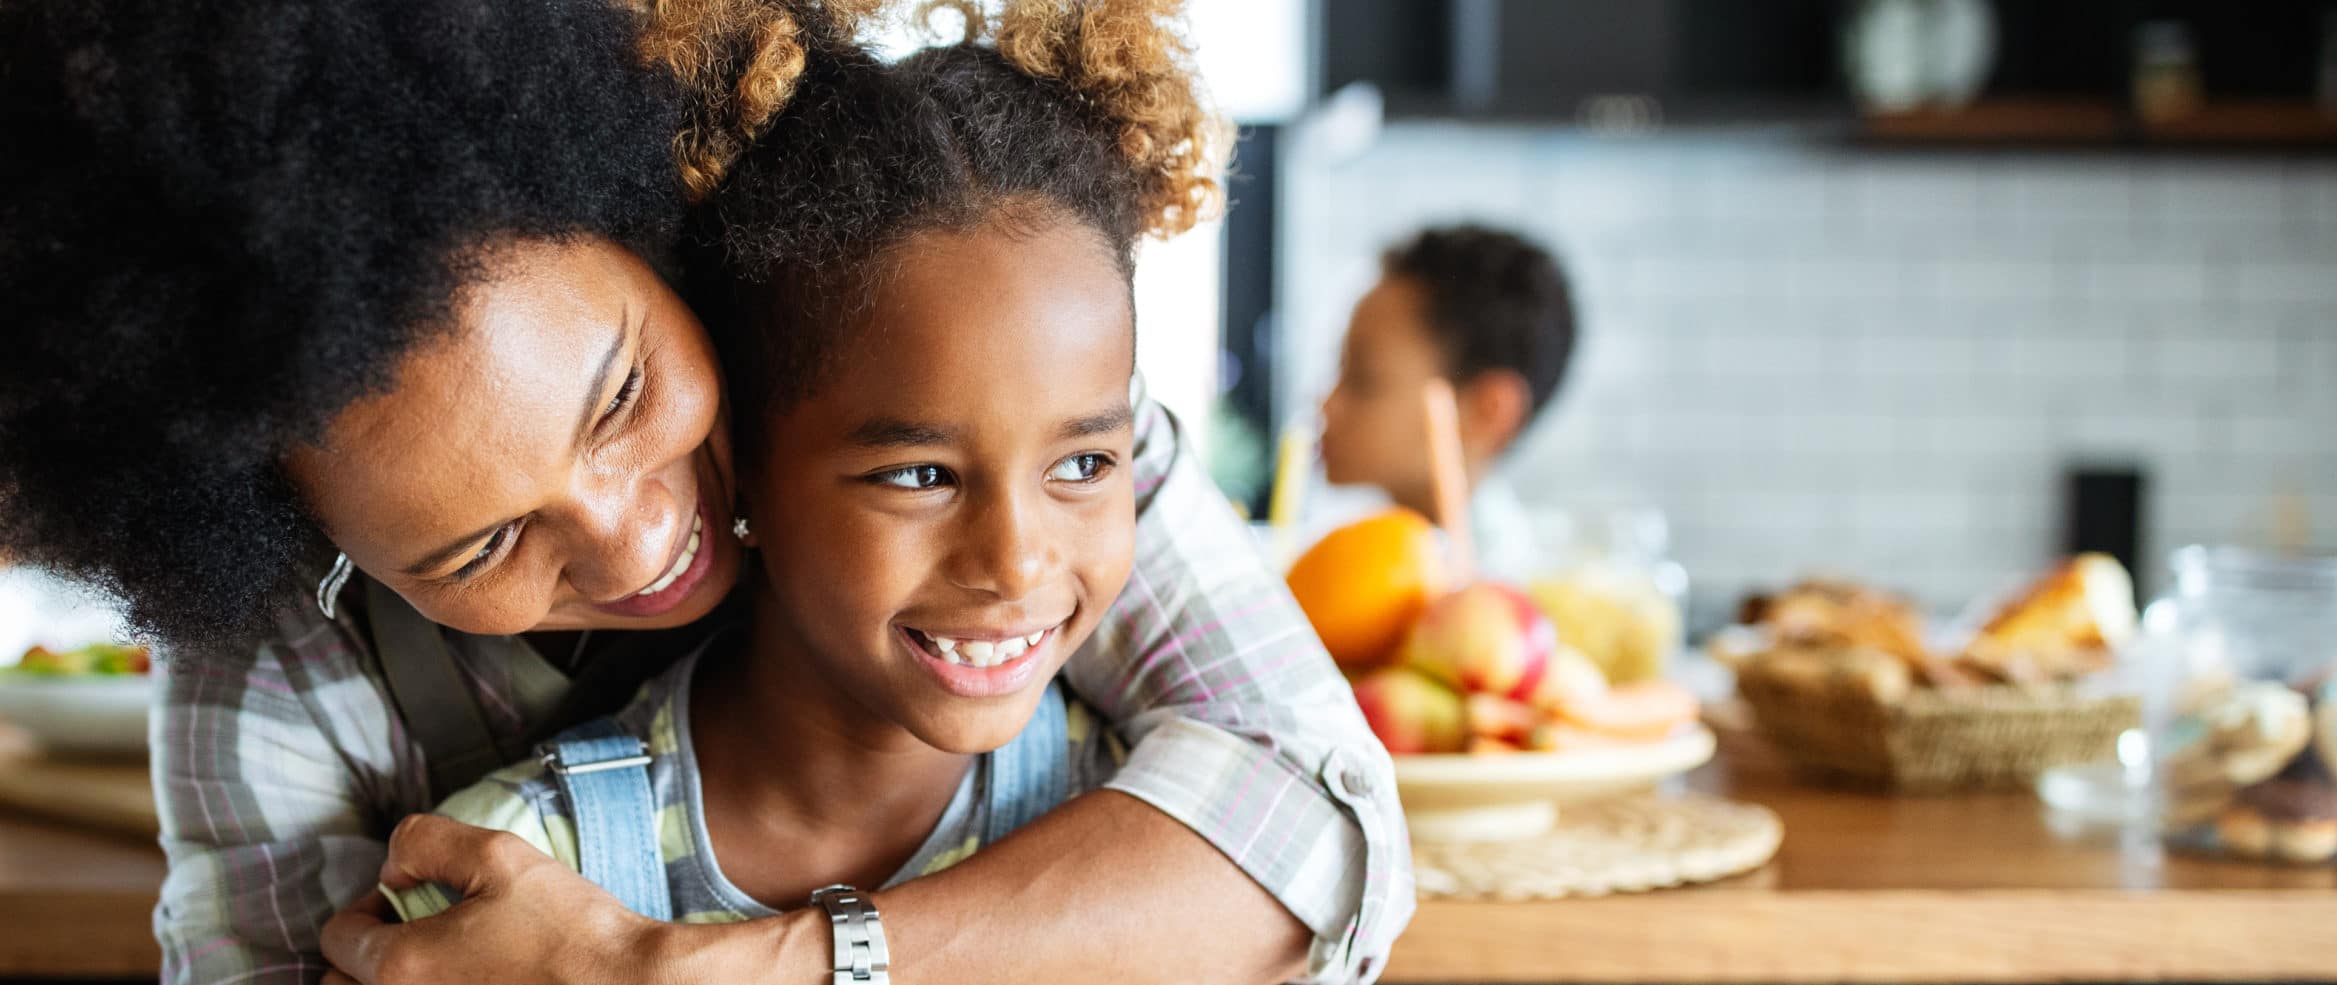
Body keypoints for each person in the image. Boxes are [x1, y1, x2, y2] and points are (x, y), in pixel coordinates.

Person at [0, 1, 1407, 982]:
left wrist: (698, 971)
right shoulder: (276, 680)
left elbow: (1322, 826)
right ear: (307, 541)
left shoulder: (961, 403)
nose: (634, 535)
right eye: (485, 539)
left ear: (639, 217)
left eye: (620, 395)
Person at [391, 11, 1288, 947]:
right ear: (743, 469)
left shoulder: (1171, 835)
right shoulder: (508, 890)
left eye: (1083, 463)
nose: (1018, 562)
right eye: (921, 474)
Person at [1317, 224, 1579, 581]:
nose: (1326, 405)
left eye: (1364, 380)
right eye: (1339, 369)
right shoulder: (1345, 564)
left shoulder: (1496, 599)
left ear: (1487, 411)